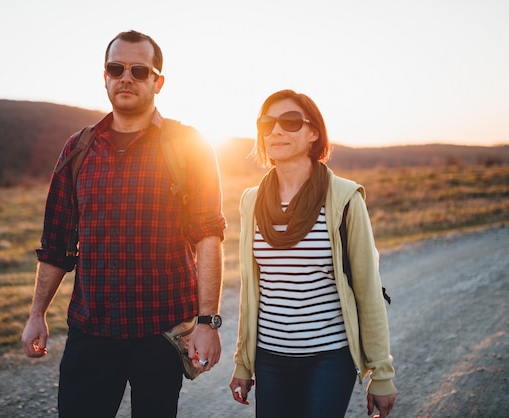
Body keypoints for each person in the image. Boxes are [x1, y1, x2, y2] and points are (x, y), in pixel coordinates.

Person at [21, 30, 226, 417]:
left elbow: (209, 237)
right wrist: (36, 315)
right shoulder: (77, 148)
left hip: (160, 334)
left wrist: (207, 322)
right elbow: (56, 244)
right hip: (90, 331)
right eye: (116, 68)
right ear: (105, 76)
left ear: (157, 81)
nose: (126, 77)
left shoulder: (188, 146)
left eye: (139, 70)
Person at [228, 89, 396, 418]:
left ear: (313, 133)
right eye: (267, 123)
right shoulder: (251, 201)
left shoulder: (345, 198)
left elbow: (367, 291)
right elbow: (252, 293)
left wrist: (382, 375)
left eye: (290, 121)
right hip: (271, 356)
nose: (276, 130)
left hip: (329, 357)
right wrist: (244, 364)